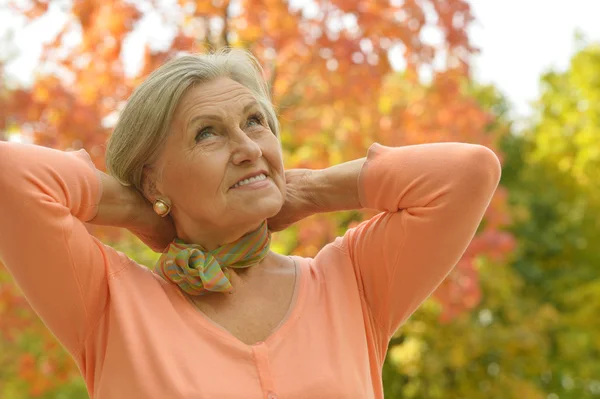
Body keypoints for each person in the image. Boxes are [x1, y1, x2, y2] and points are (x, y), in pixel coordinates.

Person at [0, 48, 501, 399]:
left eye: (255, 122)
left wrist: (309, 190)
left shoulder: (352, 280)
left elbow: (468, 172)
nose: (247, 149)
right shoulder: (108, 303)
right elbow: (10, 178)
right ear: (154, 182)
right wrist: (135, 209)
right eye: (208, 134)